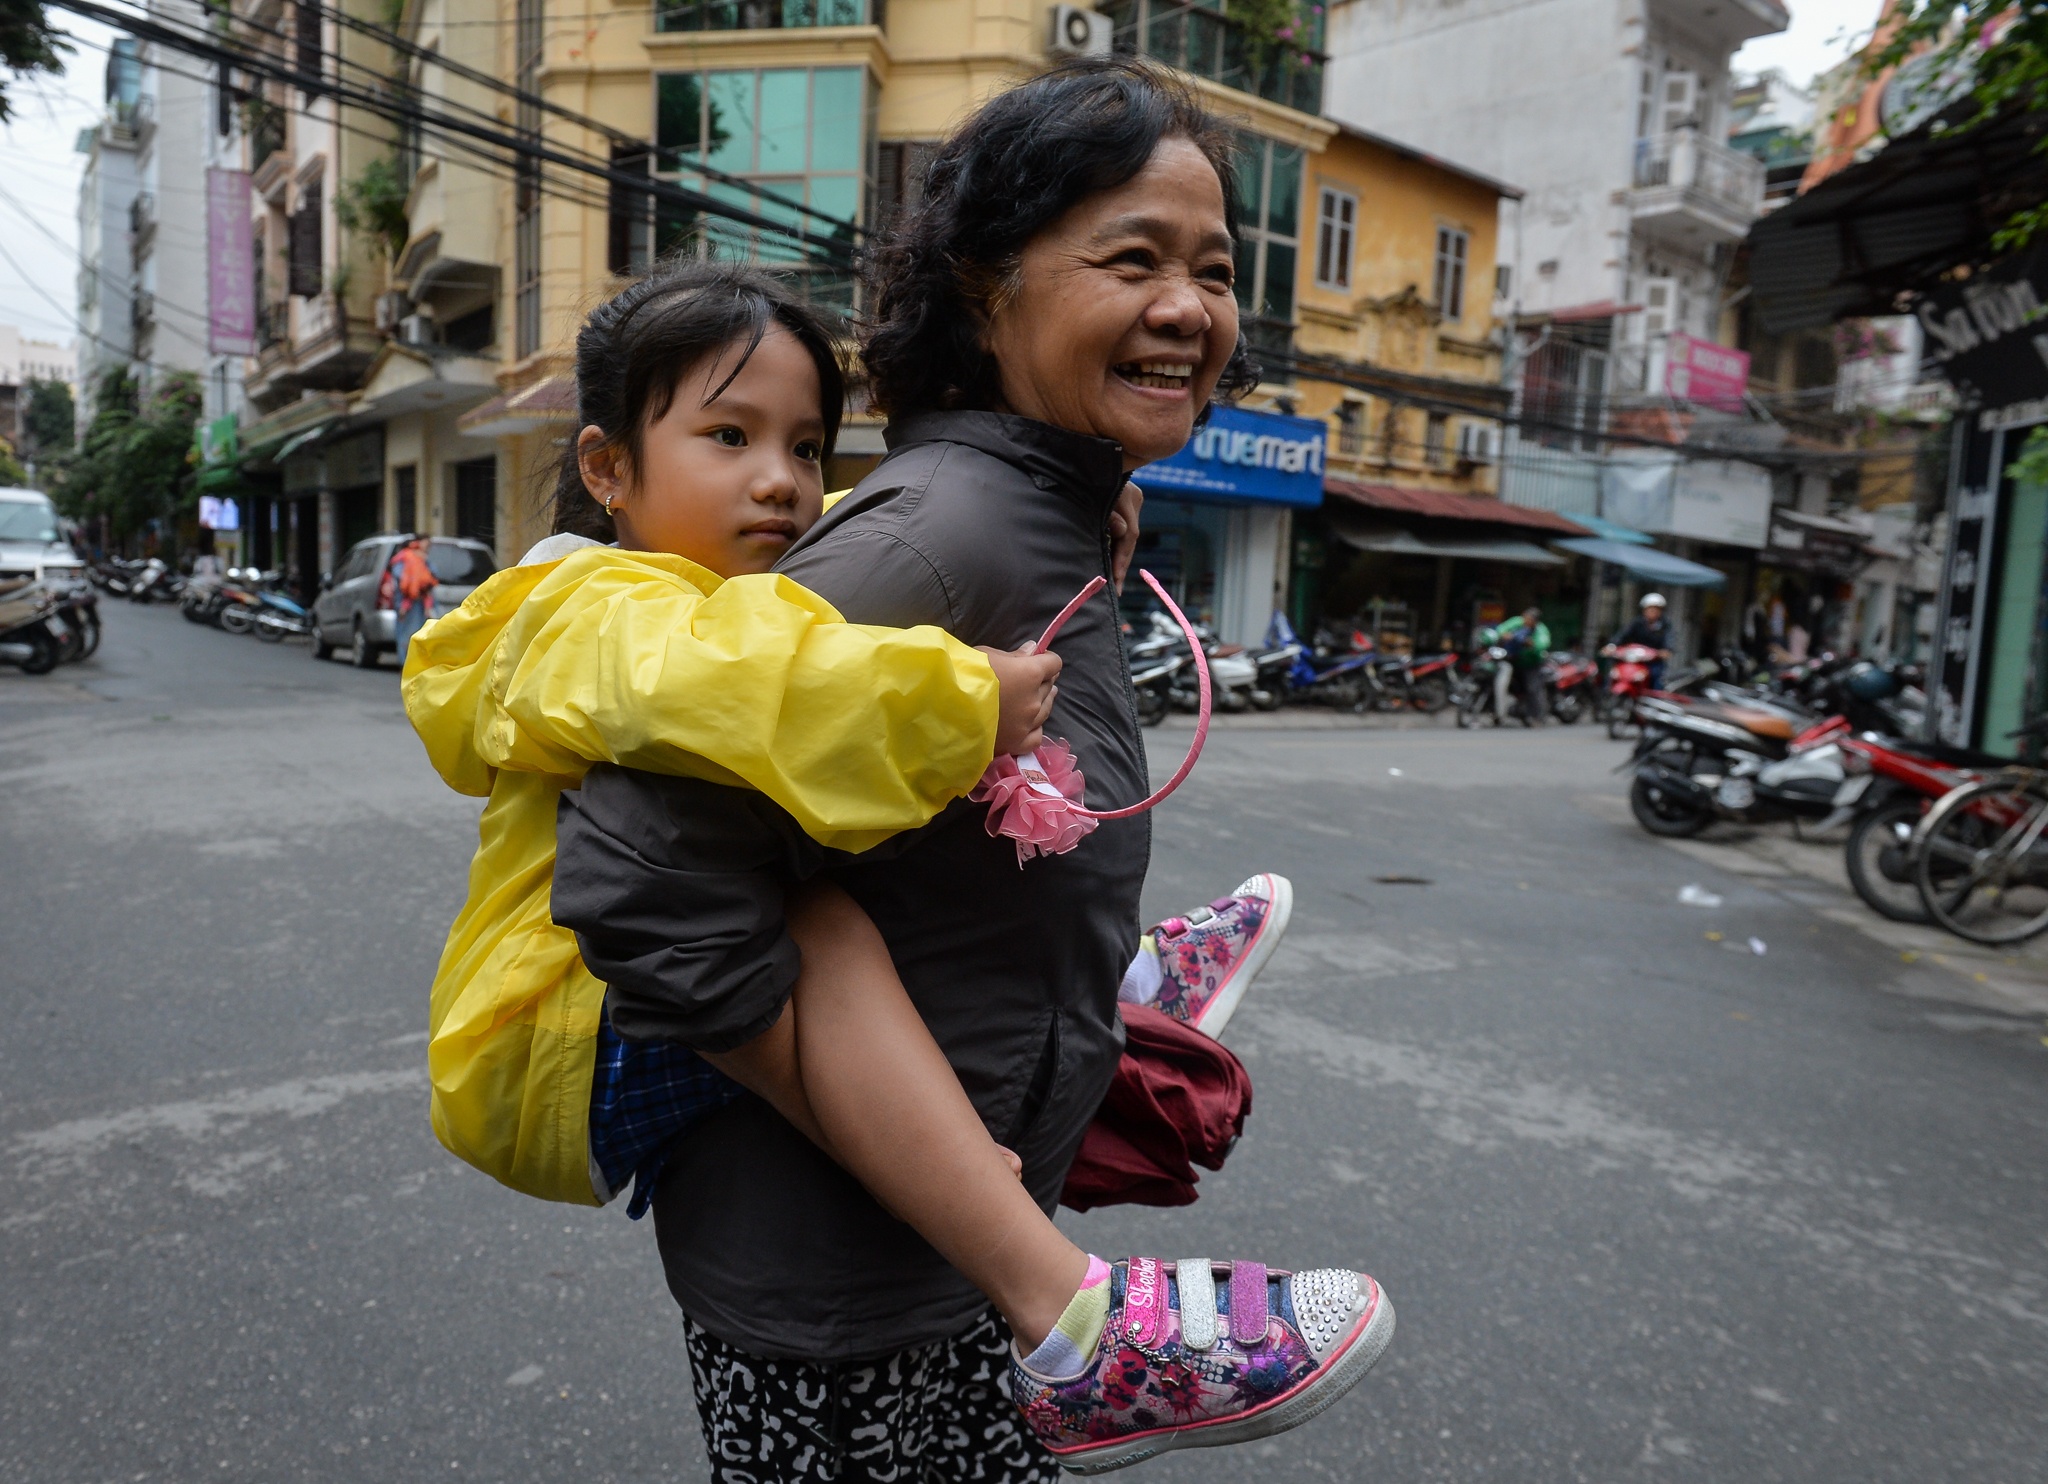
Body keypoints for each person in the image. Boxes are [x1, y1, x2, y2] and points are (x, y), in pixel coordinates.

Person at [551, 63, 1392, 1480]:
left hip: (921, 1274)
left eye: (1215, 270)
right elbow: (637, 878)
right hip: (850, 1303)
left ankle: (1114, 989)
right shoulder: (941, 540)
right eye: (1132, 259)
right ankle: (1086, 1320)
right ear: (987, 285)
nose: (1190, 307)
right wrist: (931, 1159)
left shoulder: (1053, 510)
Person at [381, 535, 436, 663]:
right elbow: (432, 576)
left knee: (405, 635)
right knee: (414, 634)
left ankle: (406, 664)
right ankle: (412, 663)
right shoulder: (417, 558)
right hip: (415, 601)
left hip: (407, 603)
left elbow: (399, 580)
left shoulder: (402, 559)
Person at [1495, 604, 1551, 725]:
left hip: (1531, 663)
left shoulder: (1540, 630)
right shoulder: (1517, 622)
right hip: (1514, 660)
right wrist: (1506, 636)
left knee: (1532, 689)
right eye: (1525, 618)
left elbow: (1542, 645)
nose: (1525, 621)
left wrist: (1530, 644)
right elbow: (1501, 629)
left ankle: (1537, 717)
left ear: (1535, 621)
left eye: (1529, 619)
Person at [1605, 592, 1672, 689]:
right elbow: (1622, 634)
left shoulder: (1665, 625)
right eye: (1650, 609)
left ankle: (1653, 698)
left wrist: (1666, 650)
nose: (1652, 612)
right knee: (1614, 671)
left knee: (1657, 675)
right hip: (1634, 658)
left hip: (1652, 660)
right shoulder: (1637, 622)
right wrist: (1612, 645)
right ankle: (1606, 693)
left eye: (1656, 609)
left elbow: (1670, 638)